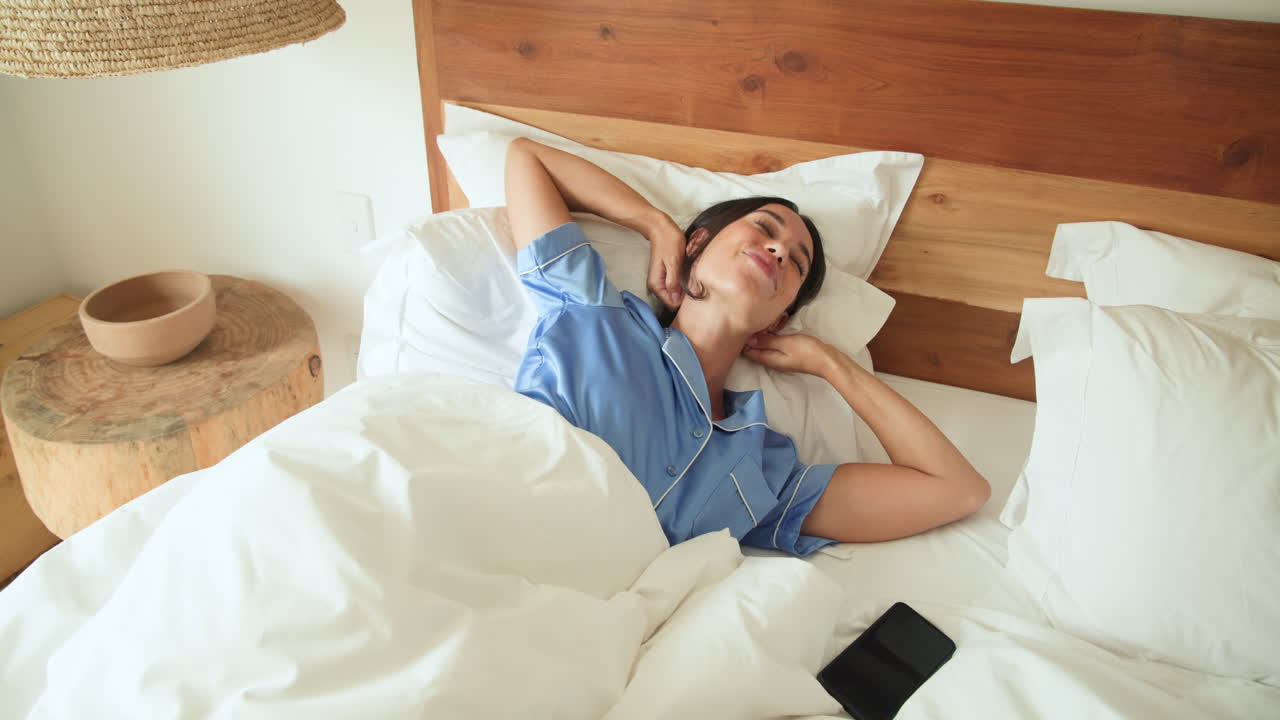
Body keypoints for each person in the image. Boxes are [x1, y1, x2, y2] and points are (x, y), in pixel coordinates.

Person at [505, 137, 989, 556]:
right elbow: (527, 158)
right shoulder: (595, 315)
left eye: (796, 263)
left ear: (778, 318)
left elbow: (956, 491)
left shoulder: (761, 469)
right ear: (696, 246)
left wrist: (832, 364)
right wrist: (654, 224)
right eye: (764, 228)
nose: (779, 250)